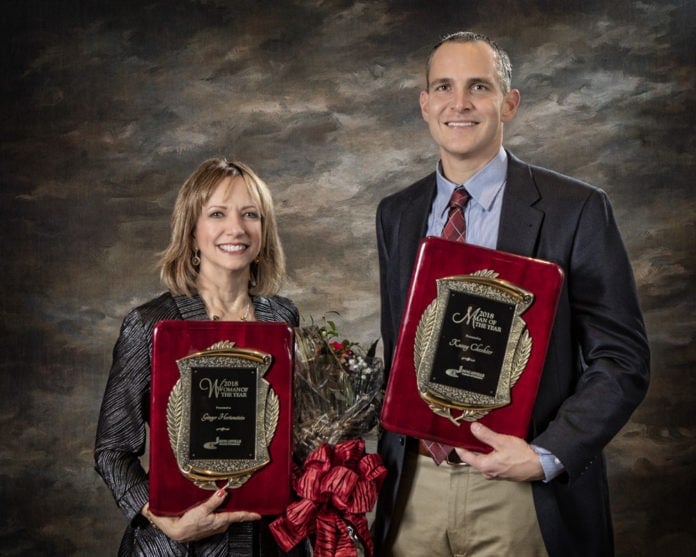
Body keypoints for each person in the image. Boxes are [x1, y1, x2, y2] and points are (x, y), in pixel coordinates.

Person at [373, 32, 650, 556]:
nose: (460, 103)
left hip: (520, 490)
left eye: (479, 86)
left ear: (510, 102)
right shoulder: (398, 214)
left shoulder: (577, 209)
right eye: (444, 87)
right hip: (413, 487)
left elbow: (622, 358)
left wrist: (546, 455)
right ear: (424, 104)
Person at [95, 158, 306, 556]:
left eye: (250, 215)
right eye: (217, 214)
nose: (236, 229)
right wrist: (165, 519)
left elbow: (293, 434)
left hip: (265, 543)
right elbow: (112, 451)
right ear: (192, 231)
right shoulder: (150, 324)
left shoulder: (283, 318)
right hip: (177, 546)